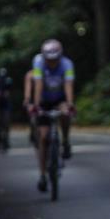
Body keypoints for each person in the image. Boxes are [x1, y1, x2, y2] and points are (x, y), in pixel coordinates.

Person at [30, 39, 75, 192]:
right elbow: (38, 84)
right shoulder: (38, 64)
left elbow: (68, 85)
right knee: (43, 137)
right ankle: (42, 175)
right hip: (44, 100)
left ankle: (66, 140)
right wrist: (36, 105)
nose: (52, 63)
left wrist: (69, 104)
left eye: (55, 60)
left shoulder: (67, 65)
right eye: (49, 60)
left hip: (59, 99)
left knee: (65, 113)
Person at [23, 68, 36, 145]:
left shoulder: (47, 72)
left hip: (45, 98)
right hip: (33, 99)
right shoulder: (30, 75)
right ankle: (33, 130)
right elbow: (28, 89)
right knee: (33, 118)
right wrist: (27, 99)